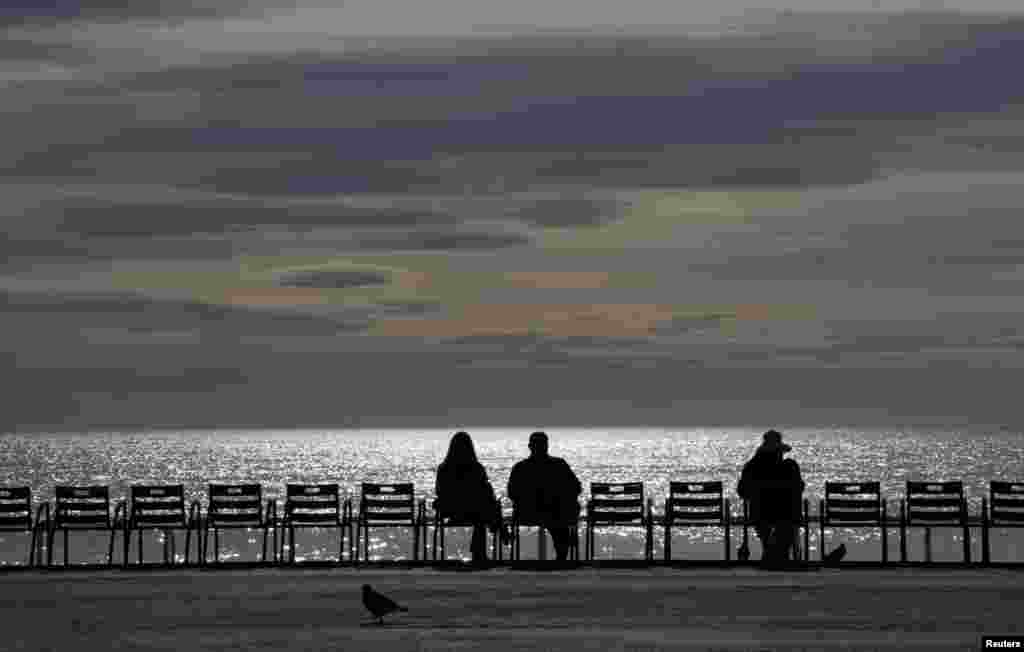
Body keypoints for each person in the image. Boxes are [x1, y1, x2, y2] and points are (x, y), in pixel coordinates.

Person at [507, 431, 582, 562]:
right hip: (556, 513)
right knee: (561, 517)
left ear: (530, 446)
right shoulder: (559, 465)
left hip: (526, 513)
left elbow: (512, 493)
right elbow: (576, 488)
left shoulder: (520, 467)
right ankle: (563, 554)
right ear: (547, 446)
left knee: (557, 515)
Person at [434, 431, 504, 564]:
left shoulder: (443, 468)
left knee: (484, 510)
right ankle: (495, 535)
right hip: (474, 511)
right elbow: (486, 491)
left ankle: (496, 532)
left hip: (450, 512)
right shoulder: (476, 468)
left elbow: (439, 491)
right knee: (486, 510)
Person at [737, 429, 805, 567]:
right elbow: (799, 488)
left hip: (760, 514)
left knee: (768, 526)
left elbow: (742, 492)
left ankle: (771, 552)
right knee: (786, 523)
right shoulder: (789, 467)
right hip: (786, 515)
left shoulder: (751, 466)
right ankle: (776, 554)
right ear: (778, 452)